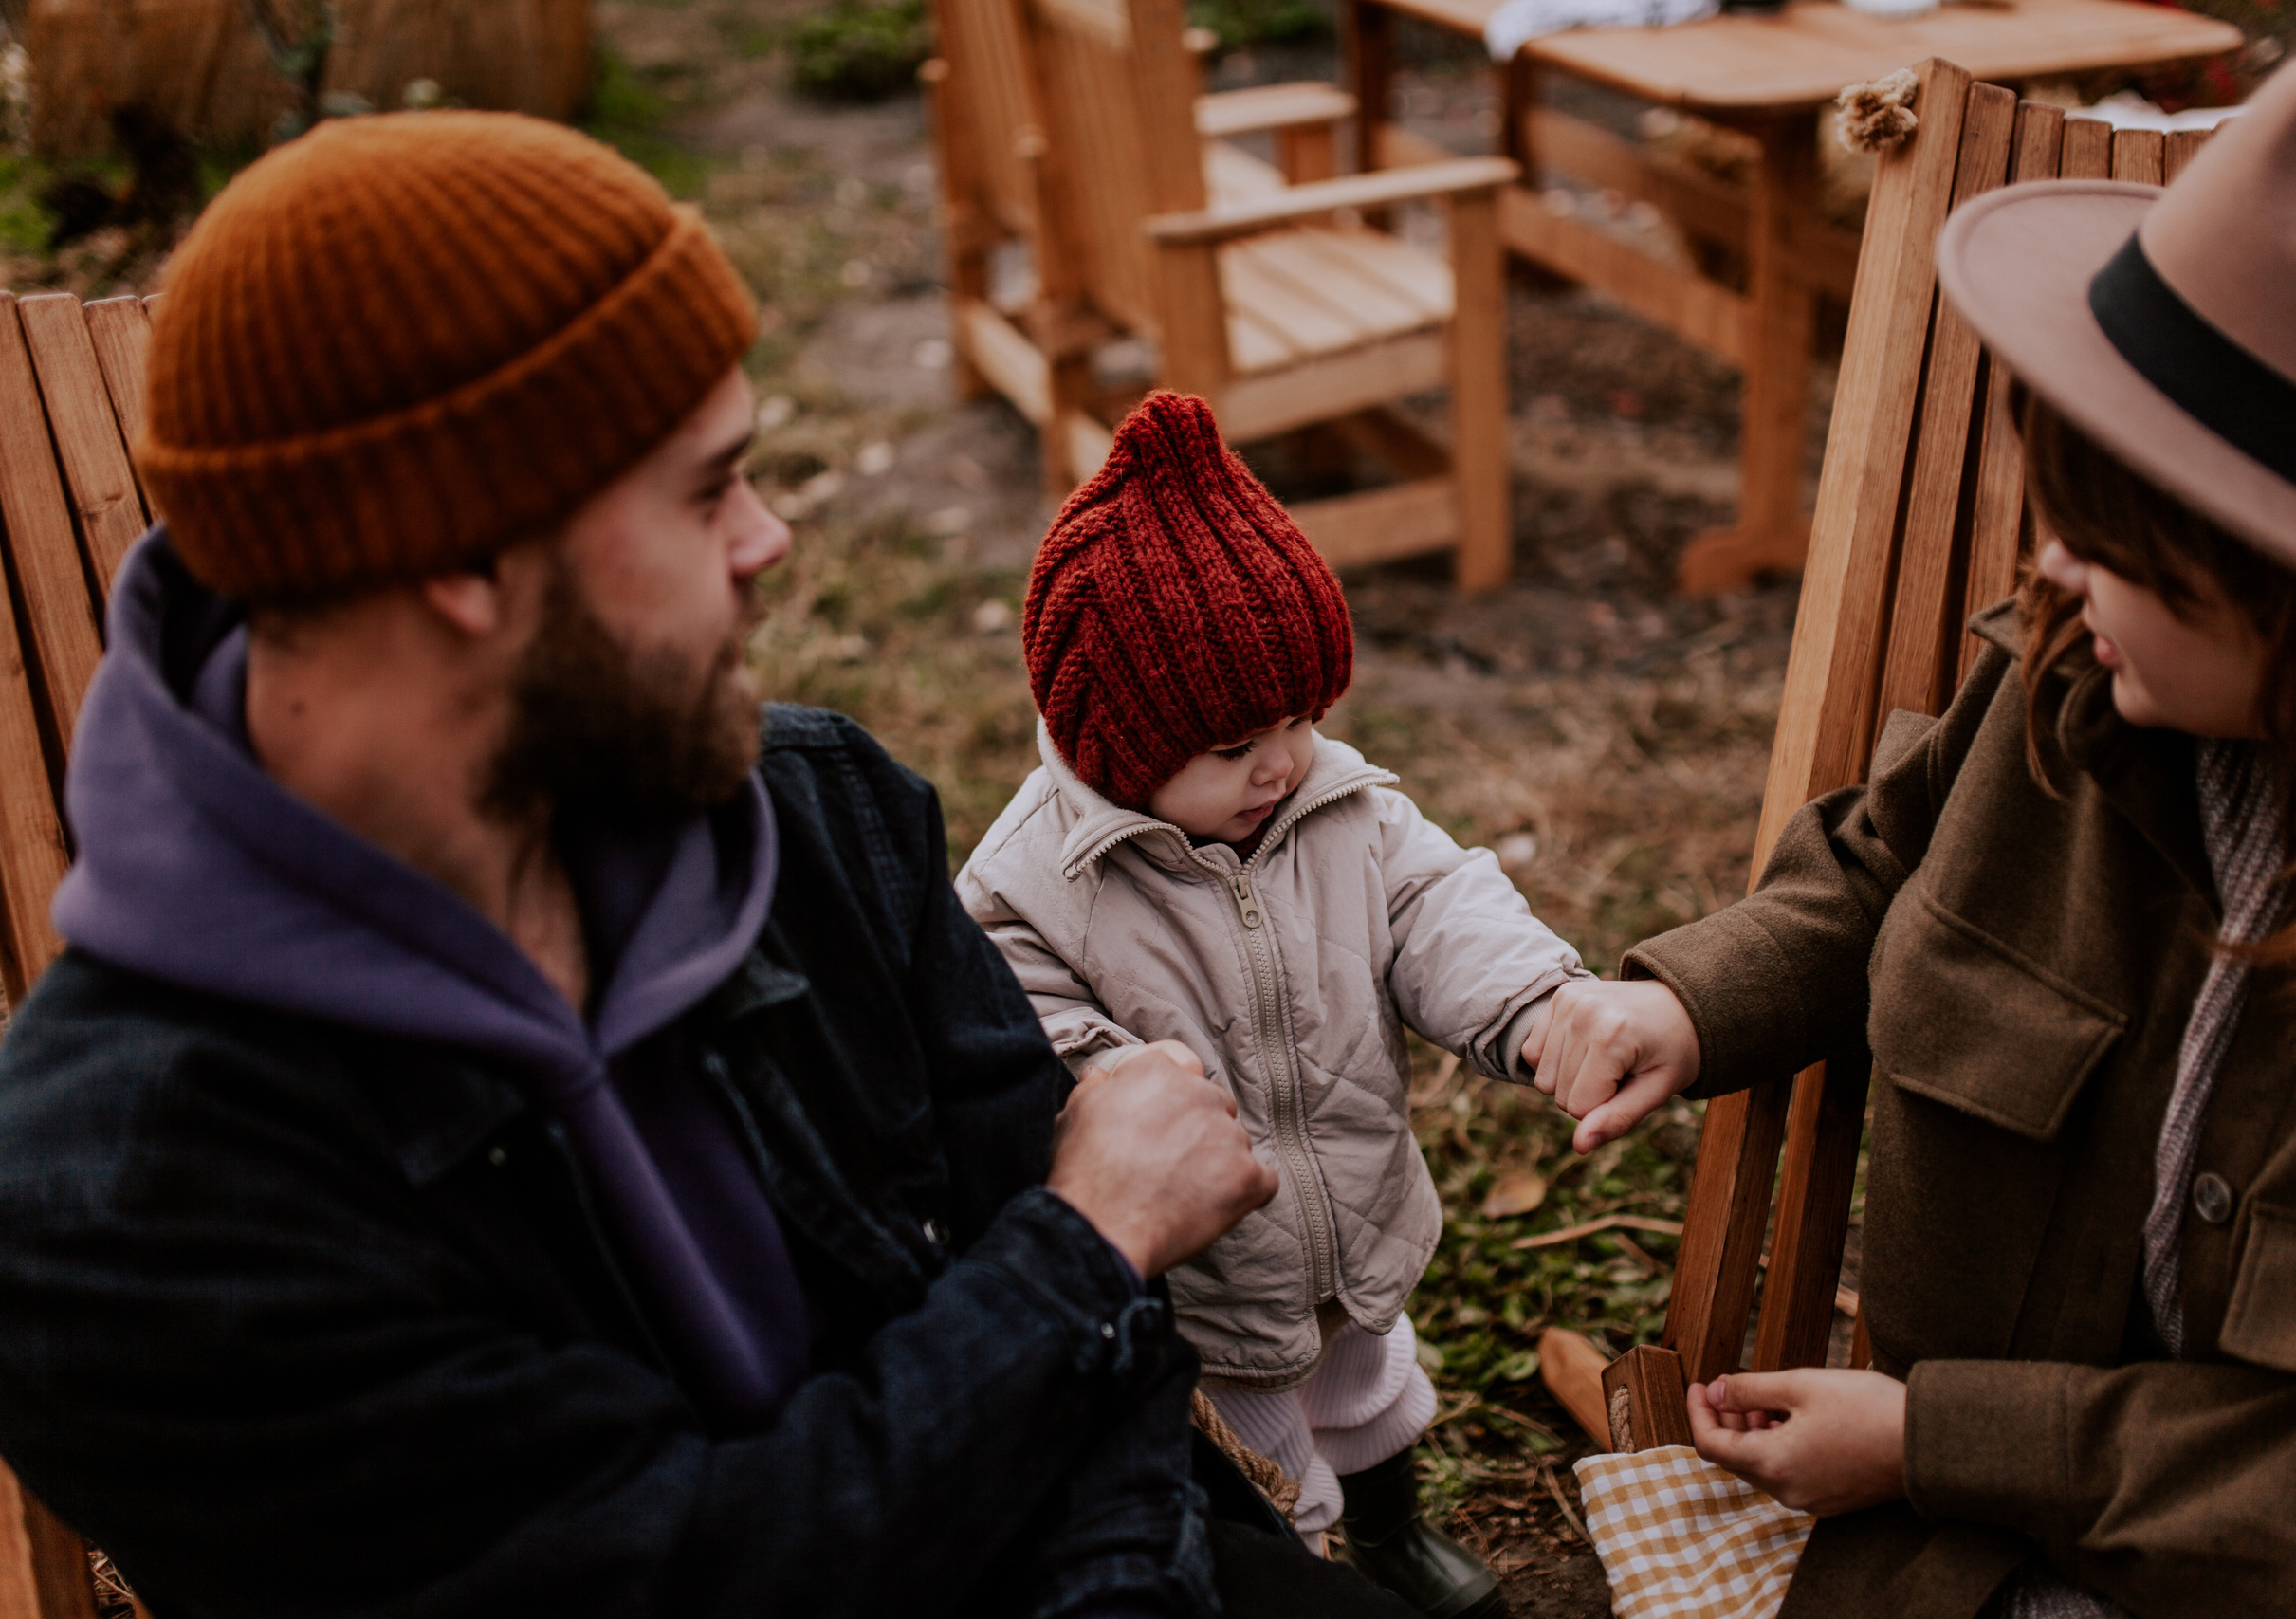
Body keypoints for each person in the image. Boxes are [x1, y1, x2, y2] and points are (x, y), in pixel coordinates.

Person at [0, 110, 1417, 1619]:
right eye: (703, 490)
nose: (772, 538)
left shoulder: (811, 811)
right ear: (458, 557)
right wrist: (1084, 1249)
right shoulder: (117, 1208)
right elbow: (674, 1573)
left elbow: (1112, 1386)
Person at [1526, 47, 2296, 1618]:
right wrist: (1687, 1000)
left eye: (2122, 533)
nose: (2053, 566)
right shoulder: (2072, 688)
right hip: (1942, 1565)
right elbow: (1881, 863)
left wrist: (1941, 1441)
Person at [957, 391, 1646, 1619]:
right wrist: (1129, 1089)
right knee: (1267, 1460)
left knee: (1375, 1387)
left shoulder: (1335, 805)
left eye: (1300, 719)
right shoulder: (1031, 887)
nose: (1280, 761)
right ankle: (1312, 1574)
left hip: (1352, 1204)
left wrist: (1539, 1005)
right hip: (1210, 1266)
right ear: (1113, 738)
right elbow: (1031, 1030)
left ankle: (1392, 1529)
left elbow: (1439, 905)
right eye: (1235, 745)